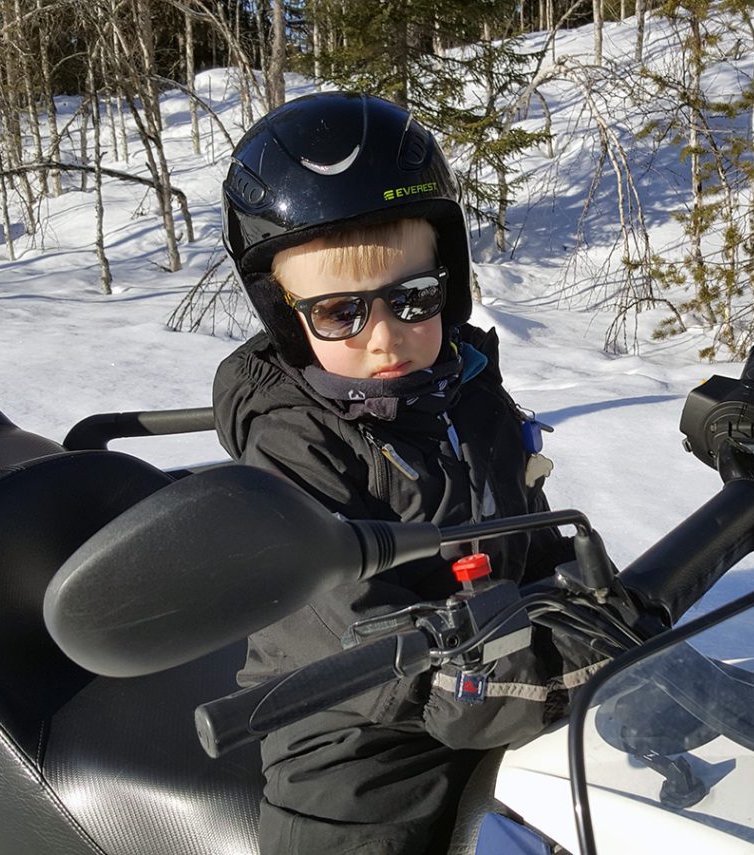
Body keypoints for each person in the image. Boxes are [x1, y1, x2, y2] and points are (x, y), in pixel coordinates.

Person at [214, 91, 581, 855]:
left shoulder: (466, 390)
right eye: (339, 312)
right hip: (357, 753)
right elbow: (362, 638)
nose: (384, 337)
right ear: (284, 315)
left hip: (499, 700)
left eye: (413, 298)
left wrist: (600, 602)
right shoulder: (291, 448)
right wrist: (555, 667)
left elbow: (536, 539)